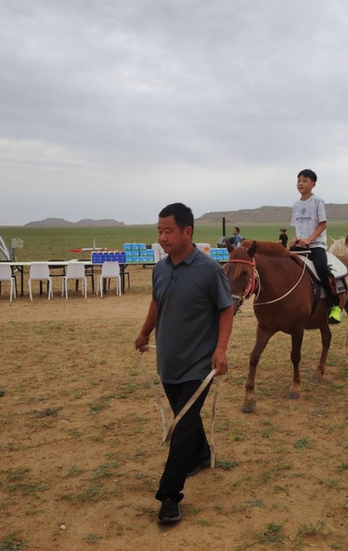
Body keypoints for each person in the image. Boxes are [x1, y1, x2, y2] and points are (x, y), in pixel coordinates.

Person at [134, 203, 234, 524]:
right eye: (159, 231)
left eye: (168, 231)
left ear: (187, 232)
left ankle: (169, 495)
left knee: (181, 428)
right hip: (168, 362)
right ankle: (202, 454)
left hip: (198, 366)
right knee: (184, 420)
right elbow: (156, 301)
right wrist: (144, 333)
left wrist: (220, 350)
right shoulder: (160, 269)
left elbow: (226, 309)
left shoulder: (209, 270)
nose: (162, 238)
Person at [290, 169, 342, 323]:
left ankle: (335, 306)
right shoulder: (295, 205)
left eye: (305, 180)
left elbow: (323, 224)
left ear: (313, 184)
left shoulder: (317, 201)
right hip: (299, 246)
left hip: (316, 245)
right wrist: (295, 239)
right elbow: (296, 226)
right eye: (299, 180)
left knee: (321, 269)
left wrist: (309, 239)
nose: (301, 183)